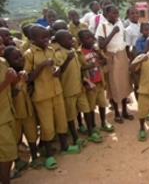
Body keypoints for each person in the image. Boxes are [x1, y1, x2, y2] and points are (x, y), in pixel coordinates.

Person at [23, 25, 81, 170]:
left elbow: (58, 68)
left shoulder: (50, 50)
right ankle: (49, 154)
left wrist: (57, 69)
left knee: (61, 120)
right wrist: (42, 66)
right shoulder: (29, 54)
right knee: (47, 126)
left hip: (57, 91)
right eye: (42, 37)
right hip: (42, 96)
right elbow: (27, 78)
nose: (46, 40)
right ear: (32, 39)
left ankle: (65, 146)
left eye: (47, 37)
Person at [55, 30, 103, 145]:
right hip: (69, 90)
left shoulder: (74, 52)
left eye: (72, 38)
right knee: (71, 116)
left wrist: (84, 80)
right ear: (61, 41)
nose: (72, 41)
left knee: (86, 110)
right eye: (69, 39)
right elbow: (60, 71)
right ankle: (75, 138)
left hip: (80, 88)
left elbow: (79, 69)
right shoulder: (58, 54)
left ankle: (91, 132)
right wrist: (68, 59)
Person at [3, 46, 42, 170]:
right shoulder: (7, 75)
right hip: (15, 114)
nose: (20, 60)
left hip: (28, 111)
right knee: (15, 138)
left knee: (32, 135)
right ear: (8, 61)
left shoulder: (24, 72)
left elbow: (30, 84)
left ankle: (35, 157)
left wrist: (29, 84)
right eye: (15, 58)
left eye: (20, 57)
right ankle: (17, 160)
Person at [96, 4, 134, 123]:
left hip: (121, 55)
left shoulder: (120, 23)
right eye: (113, 13)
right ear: (106, 14)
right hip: (111, 57)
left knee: (124, 83)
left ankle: (125, 111)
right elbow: (101, 44)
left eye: (117, 13)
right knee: (113, 85)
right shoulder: (102, 26)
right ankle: (117, 112)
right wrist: (113, 32)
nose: (116, 16)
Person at [77, 29, 114, 132]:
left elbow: (106, 61)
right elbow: (79, 68)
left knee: (102, 104)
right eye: (87, 38)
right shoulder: (79, 53)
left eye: (91, 37)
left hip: (99, 81)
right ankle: (93, 125)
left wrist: (99, 53)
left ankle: (103, 122)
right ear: (80, 40)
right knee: (91, 106)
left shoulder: (95, 49)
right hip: (90, 84)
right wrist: (91, 65)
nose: (90, 40)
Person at [0, 37, 21, 184]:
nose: (3, 46)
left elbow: (11, 86)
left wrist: (18, 78)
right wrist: (7, 81)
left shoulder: (2, 62)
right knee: (8, 152)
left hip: (8, 113)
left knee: (6, 151)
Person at [125, 6, 141, 100]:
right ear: (128, 16)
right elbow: (127, 47)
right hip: (135, 54)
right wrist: (132, 62)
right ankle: (140, 104)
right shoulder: (128, 30)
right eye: (132, 13)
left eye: (136, 13)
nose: (135, 15)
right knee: (137, 81)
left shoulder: (142, 26)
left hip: (144, 53)